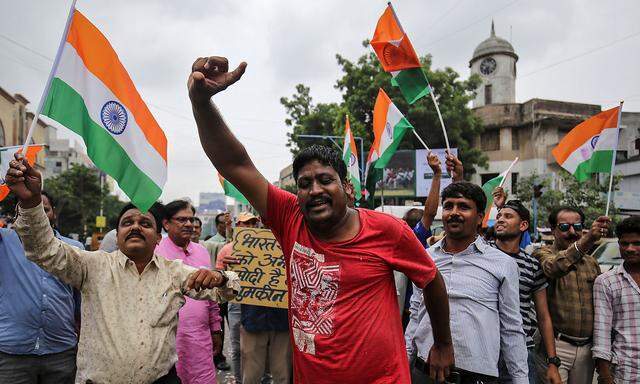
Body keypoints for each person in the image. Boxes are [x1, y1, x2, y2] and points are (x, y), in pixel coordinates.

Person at [188, 55, 453, 383]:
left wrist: (443, 343)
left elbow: (431, 280)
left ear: (346, 185)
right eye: (304, 184)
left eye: (325, 180)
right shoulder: (289, 217)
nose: (314, 190)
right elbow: (235, 163)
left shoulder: (388, 230)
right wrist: (200, 102)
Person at [5, 153, 239, 384]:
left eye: (145, 223)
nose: (136, 226)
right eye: (128, 223)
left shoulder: (174, 272)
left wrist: (218, 276)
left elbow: (227, 289)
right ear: (117, 236)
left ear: (158, 237)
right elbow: (43, 250)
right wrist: (30, 201)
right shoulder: (91, 265)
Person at [406, 181, 529, 384]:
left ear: (480, 217)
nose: (454, 212)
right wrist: (403, 363)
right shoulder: (425, 258)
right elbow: (416, 314)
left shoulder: (502, 264)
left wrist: (520, 380)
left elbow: (511, 328)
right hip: (424, 372)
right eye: (448, 206)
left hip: (477, 377)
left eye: (463, 206)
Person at [0, 191, 83, 383]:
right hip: (12, 353)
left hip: (61, 353)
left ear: (54, 213)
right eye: (29, 208)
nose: (38, 214)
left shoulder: (74, 249)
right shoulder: (4, 241)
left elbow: (81, 304)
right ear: (17, 213)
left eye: (44, 209)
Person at [491, 189, 562, 384]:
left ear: (523, 225)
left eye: (508, 216)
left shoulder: (532, 265)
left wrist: (553, 362)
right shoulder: (482, 254)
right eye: (499, 216)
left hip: (521, 351)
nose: (500, 219)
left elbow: (543, 316)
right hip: (484, 349)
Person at [533, 207, 610, 383]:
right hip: (555, 346)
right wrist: (589, 238)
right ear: (553, 230)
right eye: (564, 227)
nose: (572, 232)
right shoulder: (542, 254)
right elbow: (554, 268)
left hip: (586, 349)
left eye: (577, 226)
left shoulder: (591, 263)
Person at [218, 212, 291, 384]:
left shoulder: (289, 242)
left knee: (282, 373)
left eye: (255, 222)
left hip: (282, 320)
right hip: (253, 318)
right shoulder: (236, 249)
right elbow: (227, 288)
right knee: (250, 374)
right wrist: (229, 270)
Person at [156, 200, 223, 384]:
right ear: (166, 223)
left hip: (200, 338)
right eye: (181, 219)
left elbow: (211, 296)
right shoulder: (156, 252)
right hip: (167, 338)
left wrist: (216, 329)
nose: (188, 224)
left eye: (191, 219)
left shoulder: (201, 251)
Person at [592, 216, 640, 384]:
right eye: (624, 243)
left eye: (637, 243)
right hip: (624, 371)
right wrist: (605, 376)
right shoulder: (606, 281)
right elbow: (601, 332)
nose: (630, 249)